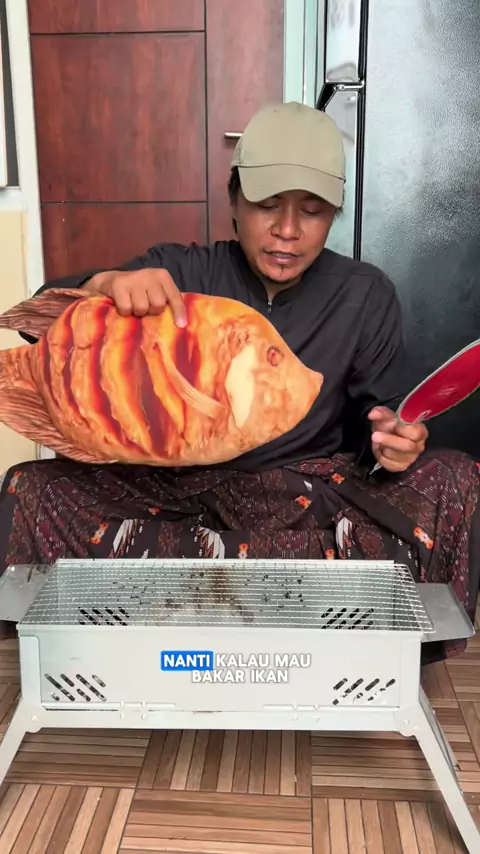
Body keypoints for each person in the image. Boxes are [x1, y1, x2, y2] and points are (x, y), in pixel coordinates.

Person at [0, 101, 478, 659]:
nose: (287, 230)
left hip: (304, 496)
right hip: (174, 493)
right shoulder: (182, 273)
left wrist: (395, 443)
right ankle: (119, 646)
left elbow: (382, 424)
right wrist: (103, 286)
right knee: (30, 487)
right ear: (233, 201)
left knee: (455, 477)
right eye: (267, 205)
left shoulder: (365, 293)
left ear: (334, 215)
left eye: (312, 211)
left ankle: (334, 647)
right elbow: (37, 325)